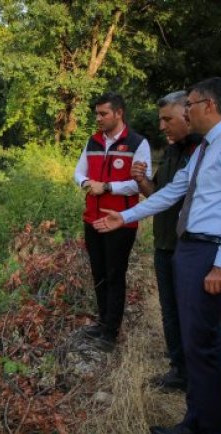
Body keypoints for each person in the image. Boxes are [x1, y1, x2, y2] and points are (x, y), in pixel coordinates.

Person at [93, 77, 221, 434]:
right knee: (193, 341)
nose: (187, 111)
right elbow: (170, 194)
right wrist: (125, 215)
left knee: (203, 343)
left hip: (209, 251)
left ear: (209, 105)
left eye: (191, 104)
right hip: (190, 248)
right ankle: (194, 420)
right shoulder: (203, 149)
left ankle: (208, 426)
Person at [130, 90, 202, 392]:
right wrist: (141, 180)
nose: (161, 126)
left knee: (196, 313)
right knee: (170, 311)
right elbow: (159, 196)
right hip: (164, 244)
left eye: (167, 119)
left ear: (188, 115)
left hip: (191, 247)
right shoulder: (173, 151)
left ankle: (200, 372)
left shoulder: (204, 152)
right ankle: (179, 370)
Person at [73, 91, 152, 352]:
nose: (98, 118)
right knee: (98, 273)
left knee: (115, 274)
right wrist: (86, 183)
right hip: (92, 219)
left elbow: (140, 184)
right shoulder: (93, 141)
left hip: (120, 222)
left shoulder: (137, 143)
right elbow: (78, 171)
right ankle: (102, 321)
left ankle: (111, 331)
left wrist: (106, 187)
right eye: (97, 113)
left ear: (119, 113)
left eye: (104, 113)